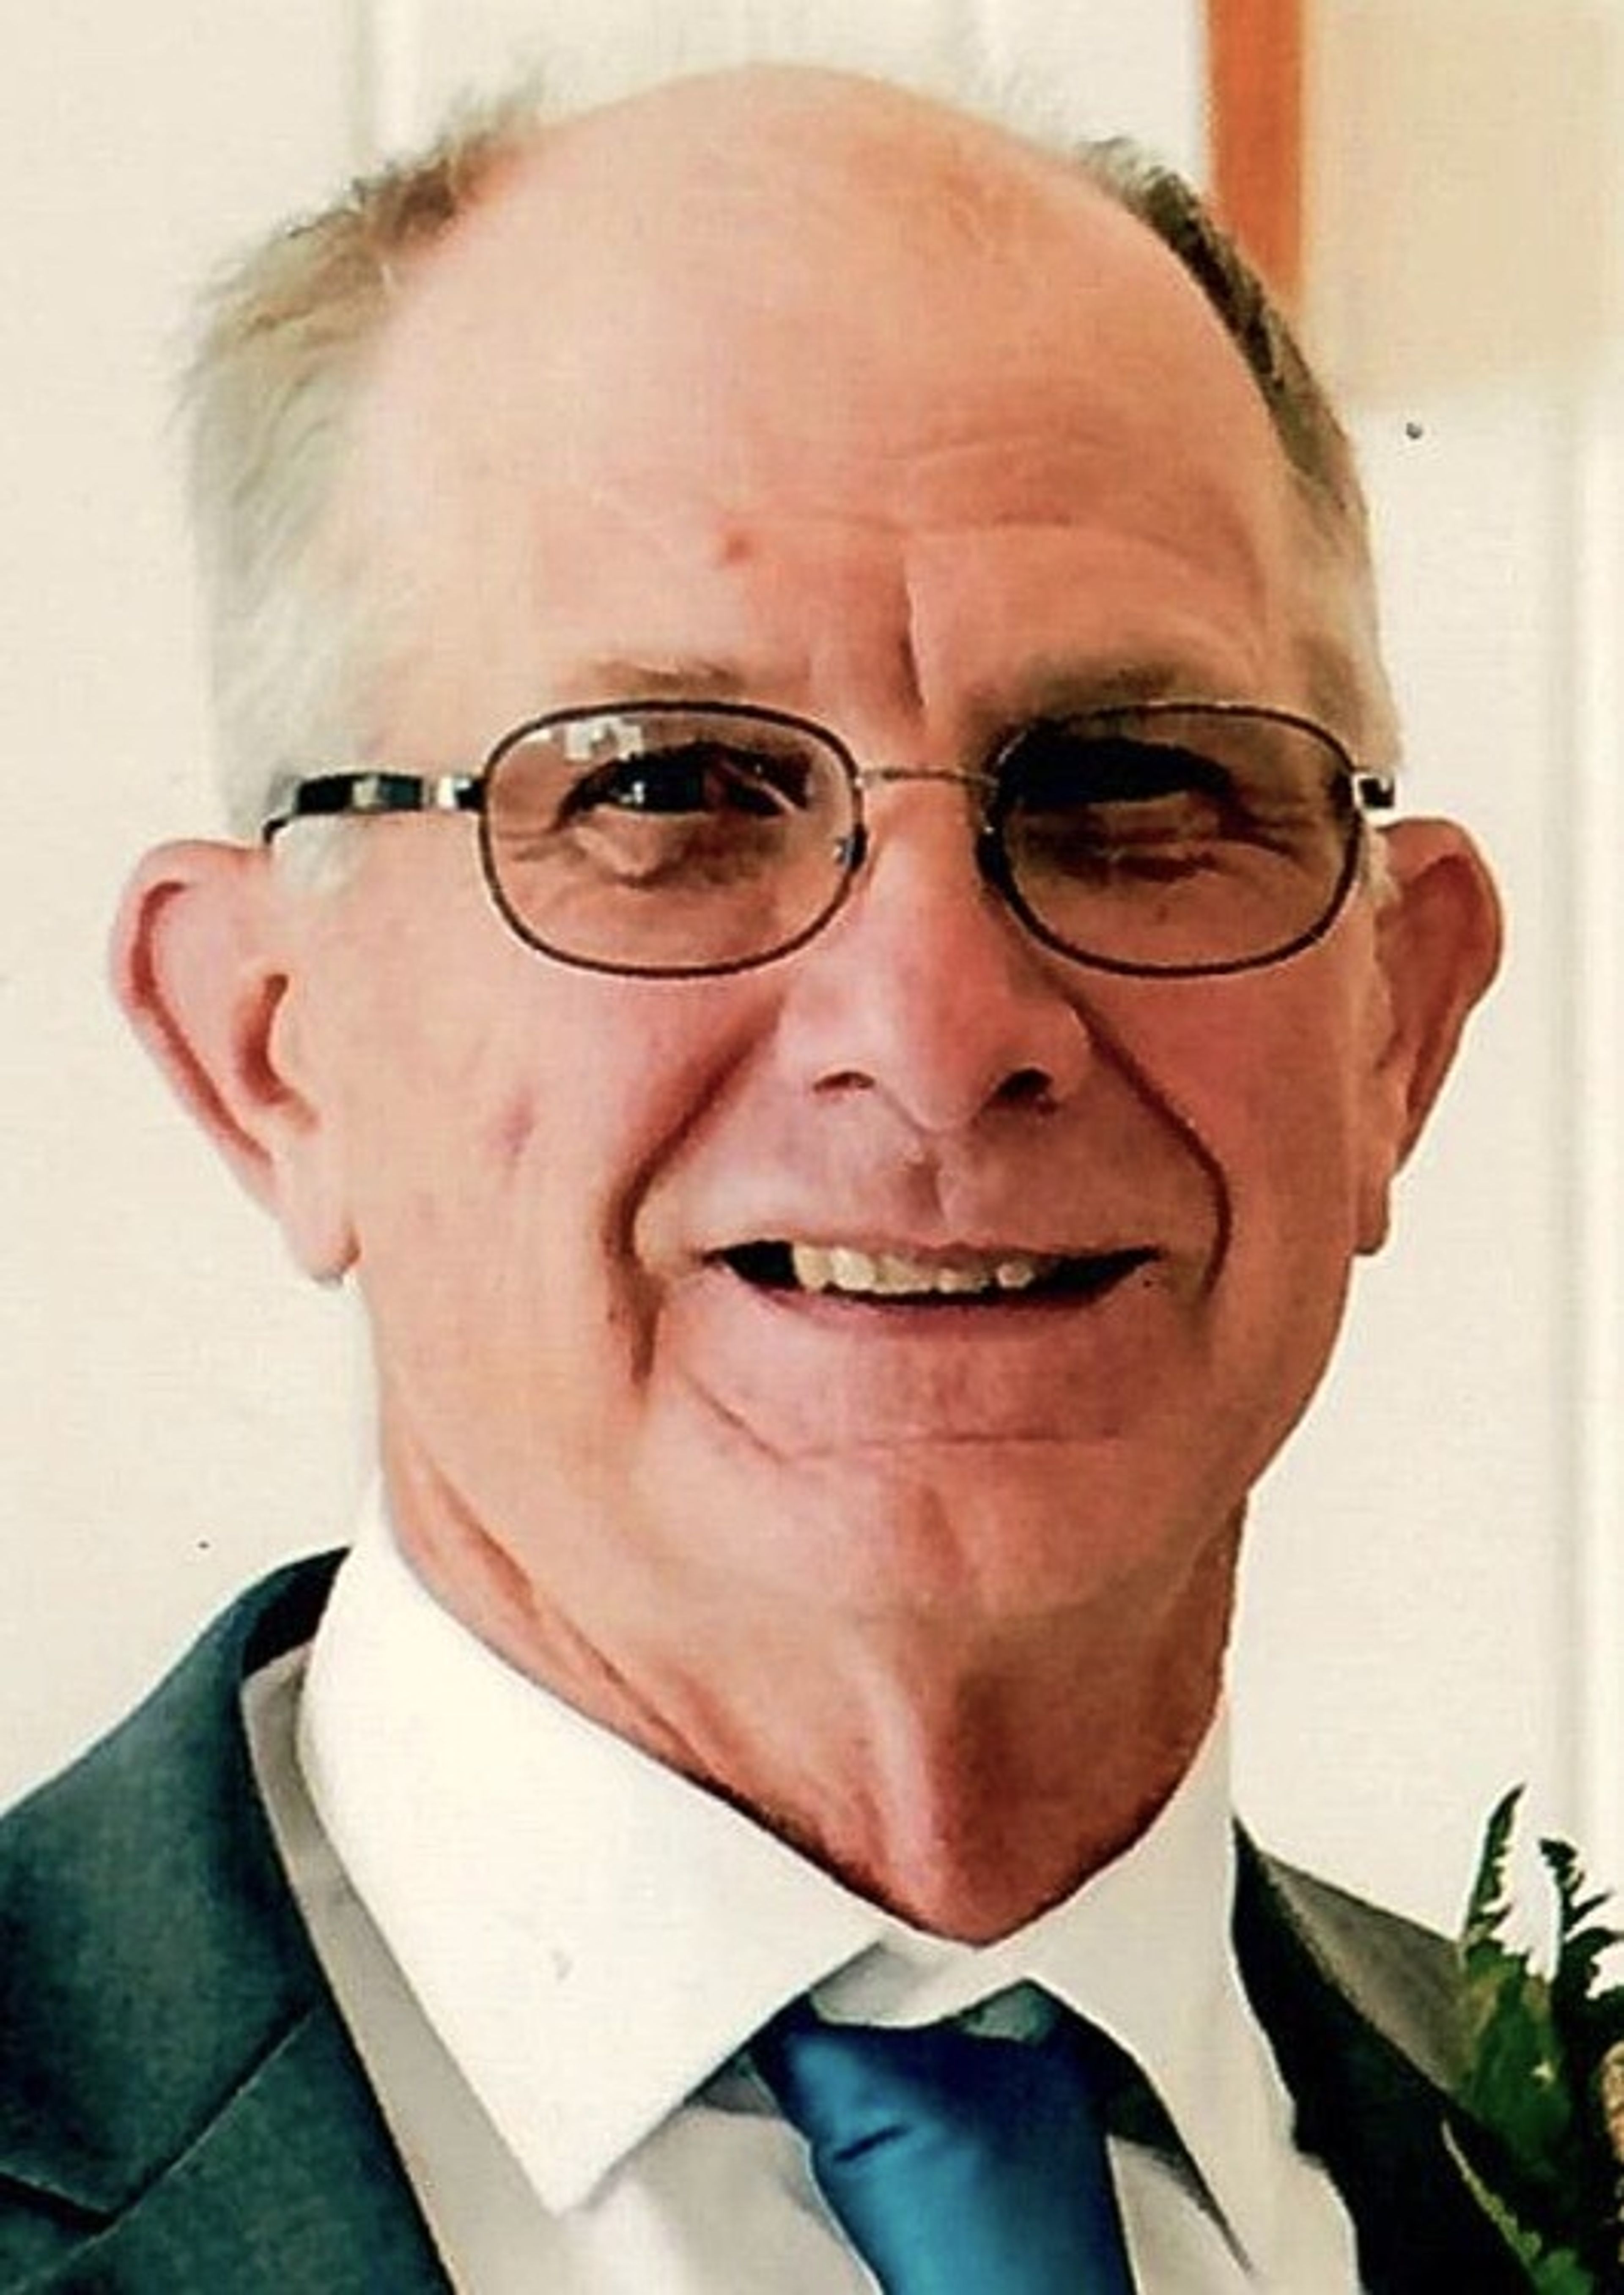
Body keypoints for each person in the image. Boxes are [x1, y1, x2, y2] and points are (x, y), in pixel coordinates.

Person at [0, 60, 1511, 2294]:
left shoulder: (1542, 2141)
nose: (941, 1025)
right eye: (665, 792)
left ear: (1398, 1021)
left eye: (1132, 787)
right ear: (272, 1052)